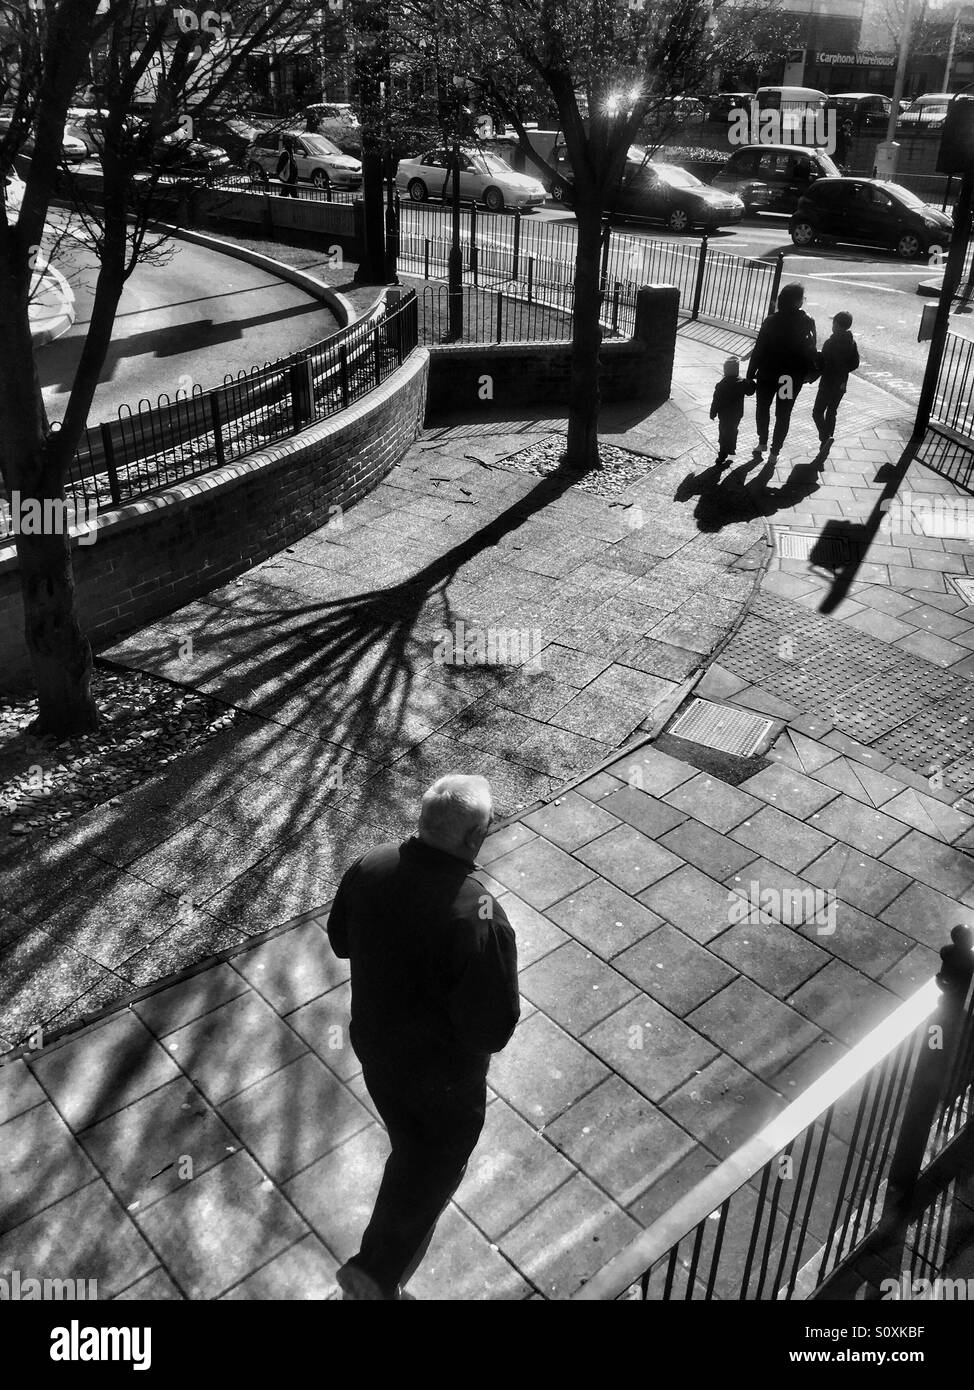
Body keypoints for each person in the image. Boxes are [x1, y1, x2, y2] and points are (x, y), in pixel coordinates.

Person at [326, 774, 520, 1301]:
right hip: (442, 1081)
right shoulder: (478, 913)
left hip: (375, 1049)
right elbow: (491, 1028)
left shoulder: (371, 864)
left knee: (409, 1147)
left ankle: (379, 1270)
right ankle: (373, 1277)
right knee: (431, 1169)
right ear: (473, 838)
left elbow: (341, 941)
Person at [746, 281, 818, 463]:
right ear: (799, 302)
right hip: (789, 378)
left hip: (767, 374)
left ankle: (762, 442)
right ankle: (774, 453)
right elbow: (811, 350)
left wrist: (750, 374)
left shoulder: (771, 321)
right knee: (783, 413)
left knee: (762, 408)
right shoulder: (807, 322)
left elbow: (759, 349)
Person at [812, 310, 860, 460]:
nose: (832, 325)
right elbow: (855, 363)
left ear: (837, 325)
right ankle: (828, 438)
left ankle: (825, 438)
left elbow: (822, 363)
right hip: (841, 384)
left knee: (817, 412)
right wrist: (844, 370)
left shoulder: (831, 343)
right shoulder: (852, 342)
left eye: (834, 323)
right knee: (832, 411)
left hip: (827, 382)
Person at [709, 355, 755, 466]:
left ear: (725, 371)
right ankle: (731, 448)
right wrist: (752, 382)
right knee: (733, 430)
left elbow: (716, 400)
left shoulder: (721, 385)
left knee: (723, 432)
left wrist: (713, 412)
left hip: (724, 415)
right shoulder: (742, 382)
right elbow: (750, 392)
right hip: (737, 414)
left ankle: (722, 453)